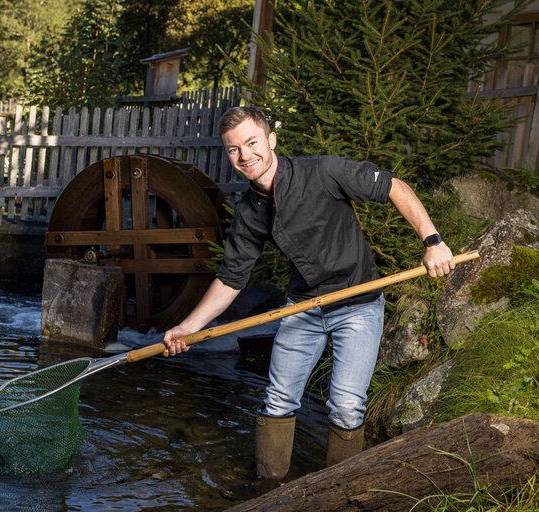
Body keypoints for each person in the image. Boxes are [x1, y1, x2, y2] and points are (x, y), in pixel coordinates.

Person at [162, 106, 455, 499]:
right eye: (234, 150)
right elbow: (231, 278)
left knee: (347, 407)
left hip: (359, 302)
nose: (245, 155)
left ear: (271, 140)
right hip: (302, 307)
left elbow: (394, 188)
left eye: (251, 143)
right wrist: (188, 327)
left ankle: (339, 493)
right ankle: (269, 486)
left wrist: (432, 242)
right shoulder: (250, 211)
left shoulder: (325, 171)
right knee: (278, 399)